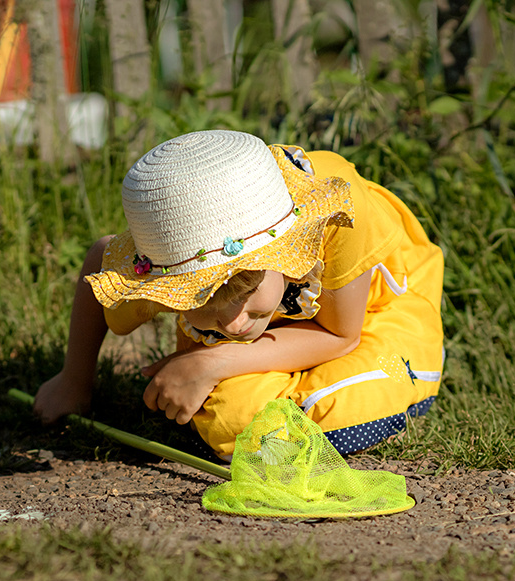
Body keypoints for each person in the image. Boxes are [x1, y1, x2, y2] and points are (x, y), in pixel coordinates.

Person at [34, 129, 444, 458]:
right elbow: (98, 258)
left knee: (382, 377)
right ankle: (251, 396)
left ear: (288, 251)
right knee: (233, 418)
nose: (232, 323)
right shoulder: (172, 254)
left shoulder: (335, 211)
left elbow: (341, 336)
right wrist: (74, 380)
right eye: (202, 308)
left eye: (246, 298)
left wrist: (213, 360)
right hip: (293, 325)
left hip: (369, 314)